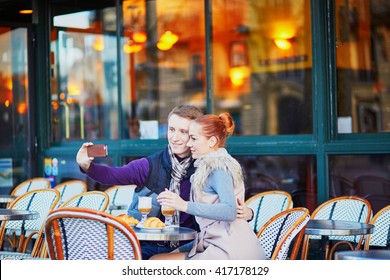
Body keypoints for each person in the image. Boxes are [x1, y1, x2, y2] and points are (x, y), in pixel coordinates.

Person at [76, 105, 203, 259]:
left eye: (183, 132)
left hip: (189, 247)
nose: (175, 137)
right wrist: (86, 165)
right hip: (147, 246)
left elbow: (225, 200)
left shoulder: (203, 168)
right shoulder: (150, 165)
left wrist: (240, 208)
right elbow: (113, 175)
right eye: (171, 130)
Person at [151, 113, 266, 260]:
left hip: (231, 250)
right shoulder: (207, 166)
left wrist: (183, 205)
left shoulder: (218, 168)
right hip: (214, 241)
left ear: (212, 141)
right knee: (161, 258)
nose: (188, 144)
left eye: (193, 139)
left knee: (155, 262)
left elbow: (229, 210)